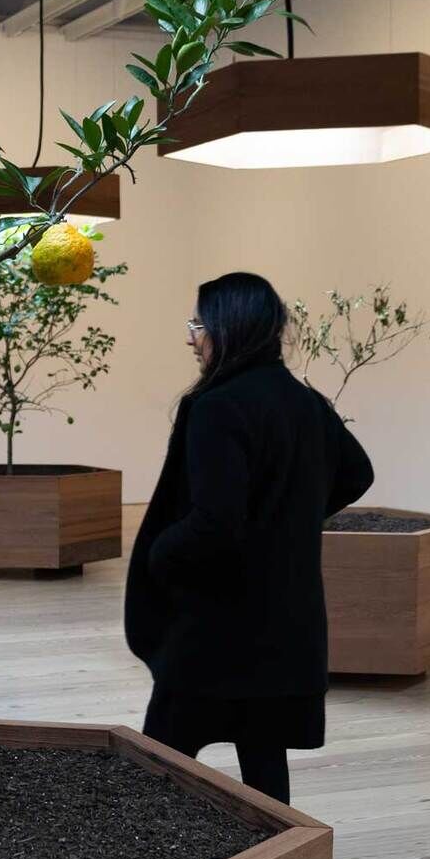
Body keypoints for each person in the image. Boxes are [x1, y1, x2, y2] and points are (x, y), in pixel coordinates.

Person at [124, 272, 374, 805]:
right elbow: (357, 474)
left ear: (226, 328)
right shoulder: (304, 402)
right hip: (283, 630)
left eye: (199, 325)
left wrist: (161, 553)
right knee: (265, 771)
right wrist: (289, 519)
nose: (191, 338)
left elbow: (215, 521)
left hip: (215, 632)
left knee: (155, 769)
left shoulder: (217, 407)